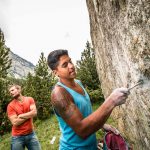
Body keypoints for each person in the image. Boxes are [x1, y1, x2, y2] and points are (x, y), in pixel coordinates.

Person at [47, 49, 129, 150]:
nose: (71, 66)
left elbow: (85, 112)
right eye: (65, 65)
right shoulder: (59, 94)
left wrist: (101, 125)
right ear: (55, 73)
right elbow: (82, 130)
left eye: (70, 61)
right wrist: (111, 101)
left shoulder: (78, 83)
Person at [7, 84, 41, 150]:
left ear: (19, 90)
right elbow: (15, 122)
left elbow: (34, 113)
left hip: (31, 134)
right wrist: (29, 114)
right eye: (10, 92)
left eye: (12, 90)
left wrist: (21, 116)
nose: (11, 92)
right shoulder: (10, 106)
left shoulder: (30, 99)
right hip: (17, 137)